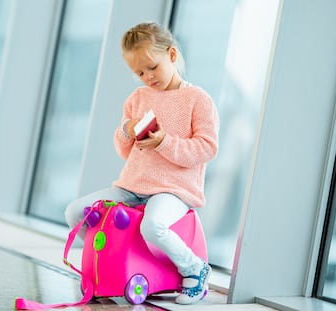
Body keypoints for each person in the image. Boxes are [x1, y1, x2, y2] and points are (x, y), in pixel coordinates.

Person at [65, 21, 219, 305]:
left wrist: (163, 142)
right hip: (132, 186)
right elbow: (124, 151)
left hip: (174, 190)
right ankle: (116, 262)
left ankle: (194, 269)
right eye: (139, 72)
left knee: (153, 227)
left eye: (152, 67)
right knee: (75, 213)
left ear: (171, 55)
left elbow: (206, 149)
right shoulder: (137, 98)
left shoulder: (198, 99)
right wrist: (128, 128)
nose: (148, 76)